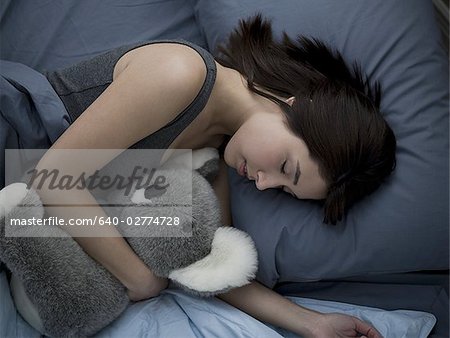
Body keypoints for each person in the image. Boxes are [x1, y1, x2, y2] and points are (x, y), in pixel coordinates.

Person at [32, 14, 395, 338]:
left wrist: (312, 323)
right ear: (295, 106)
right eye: (286, 168)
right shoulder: (182, 72)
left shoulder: (212, 158)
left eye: (284, 189)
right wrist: (142, 280)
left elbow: (210, 268)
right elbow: (51, 176)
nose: (264, 183)